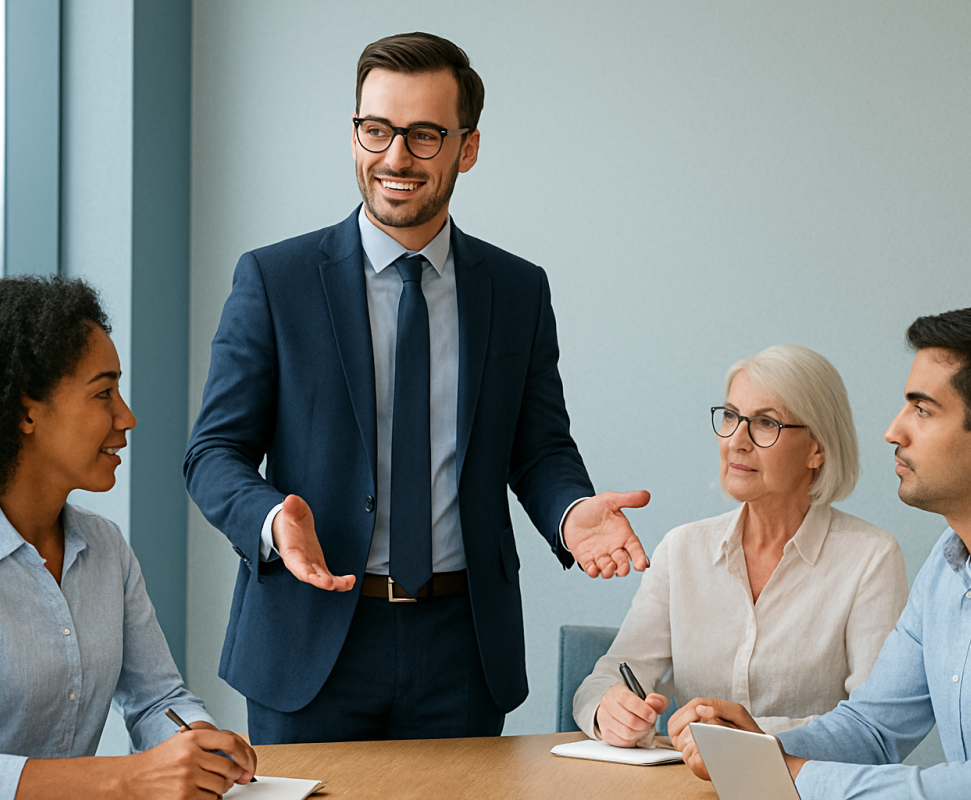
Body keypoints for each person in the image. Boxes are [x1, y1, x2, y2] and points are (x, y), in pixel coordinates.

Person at [183, 31, 650, 744]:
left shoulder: (516, 290)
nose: (395, 157)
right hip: (311, 637)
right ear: (355, 135)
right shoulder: (276, 281)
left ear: (467, 148)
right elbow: (214, 453)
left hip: (460, 644)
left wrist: (571, 511)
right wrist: (273, 519)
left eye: (424, 135)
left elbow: (538, 448)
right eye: (377, 129)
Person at [669, 307, 971, 799]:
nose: (893, 430)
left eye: (923, 410)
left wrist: (797, 774)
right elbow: (873, 728)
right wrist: (760, 751)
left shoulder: (876, 556)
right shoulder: (946, 567)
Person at [0, 276, 256, 800]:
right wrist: (126, 778)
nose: (126, 417)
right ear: (25, 411)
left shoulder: (105, 548)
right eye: (104, 393)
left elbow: (157, 698)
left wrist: (196, 742)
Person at [573, 345, 908, 746]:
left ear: (817, 448)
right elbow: (607, 678)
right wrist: (610, 710)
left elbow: (876, 731)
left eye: (766, 423)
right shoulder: (682, 550)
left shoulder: (871, 559)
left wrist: (750, 739)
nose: (736, 440)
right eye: (730, 416)